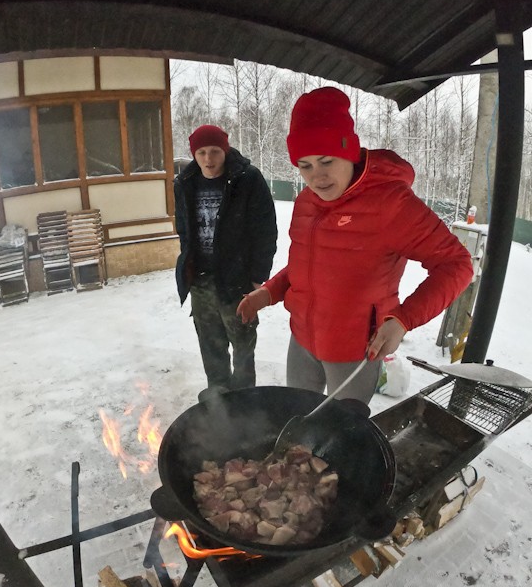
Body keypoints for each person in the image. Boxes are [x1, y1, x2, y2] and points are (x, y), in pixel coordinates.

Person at [237, 87, 473, 405]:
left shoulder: (391, 203)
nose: (317, 177)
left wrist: (403, 320)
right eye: (305, 166)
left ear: (348, 151)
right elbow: (306, 267)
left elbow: (457, 264)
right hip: (302, 340)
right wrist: (268, 293)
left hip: (355, 350)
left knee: (344, 434)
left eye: (326, 161)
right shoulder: (306, 201)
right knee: (297, 424)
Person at [174, 124, 277, 394]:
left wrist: (257, 279)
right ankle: (219, 399)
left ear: (226, 149)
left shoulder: (248, 179)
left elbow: (265, 231)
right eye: (202, 152)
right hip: (201, 282)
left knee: (243, 345)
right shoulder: (185, 183)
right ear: (194, 154)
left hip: (237, 281)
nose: (208, 159)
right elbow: (184, 228)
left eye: (215, 151)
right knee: (210, 346)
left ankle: (243, 401)